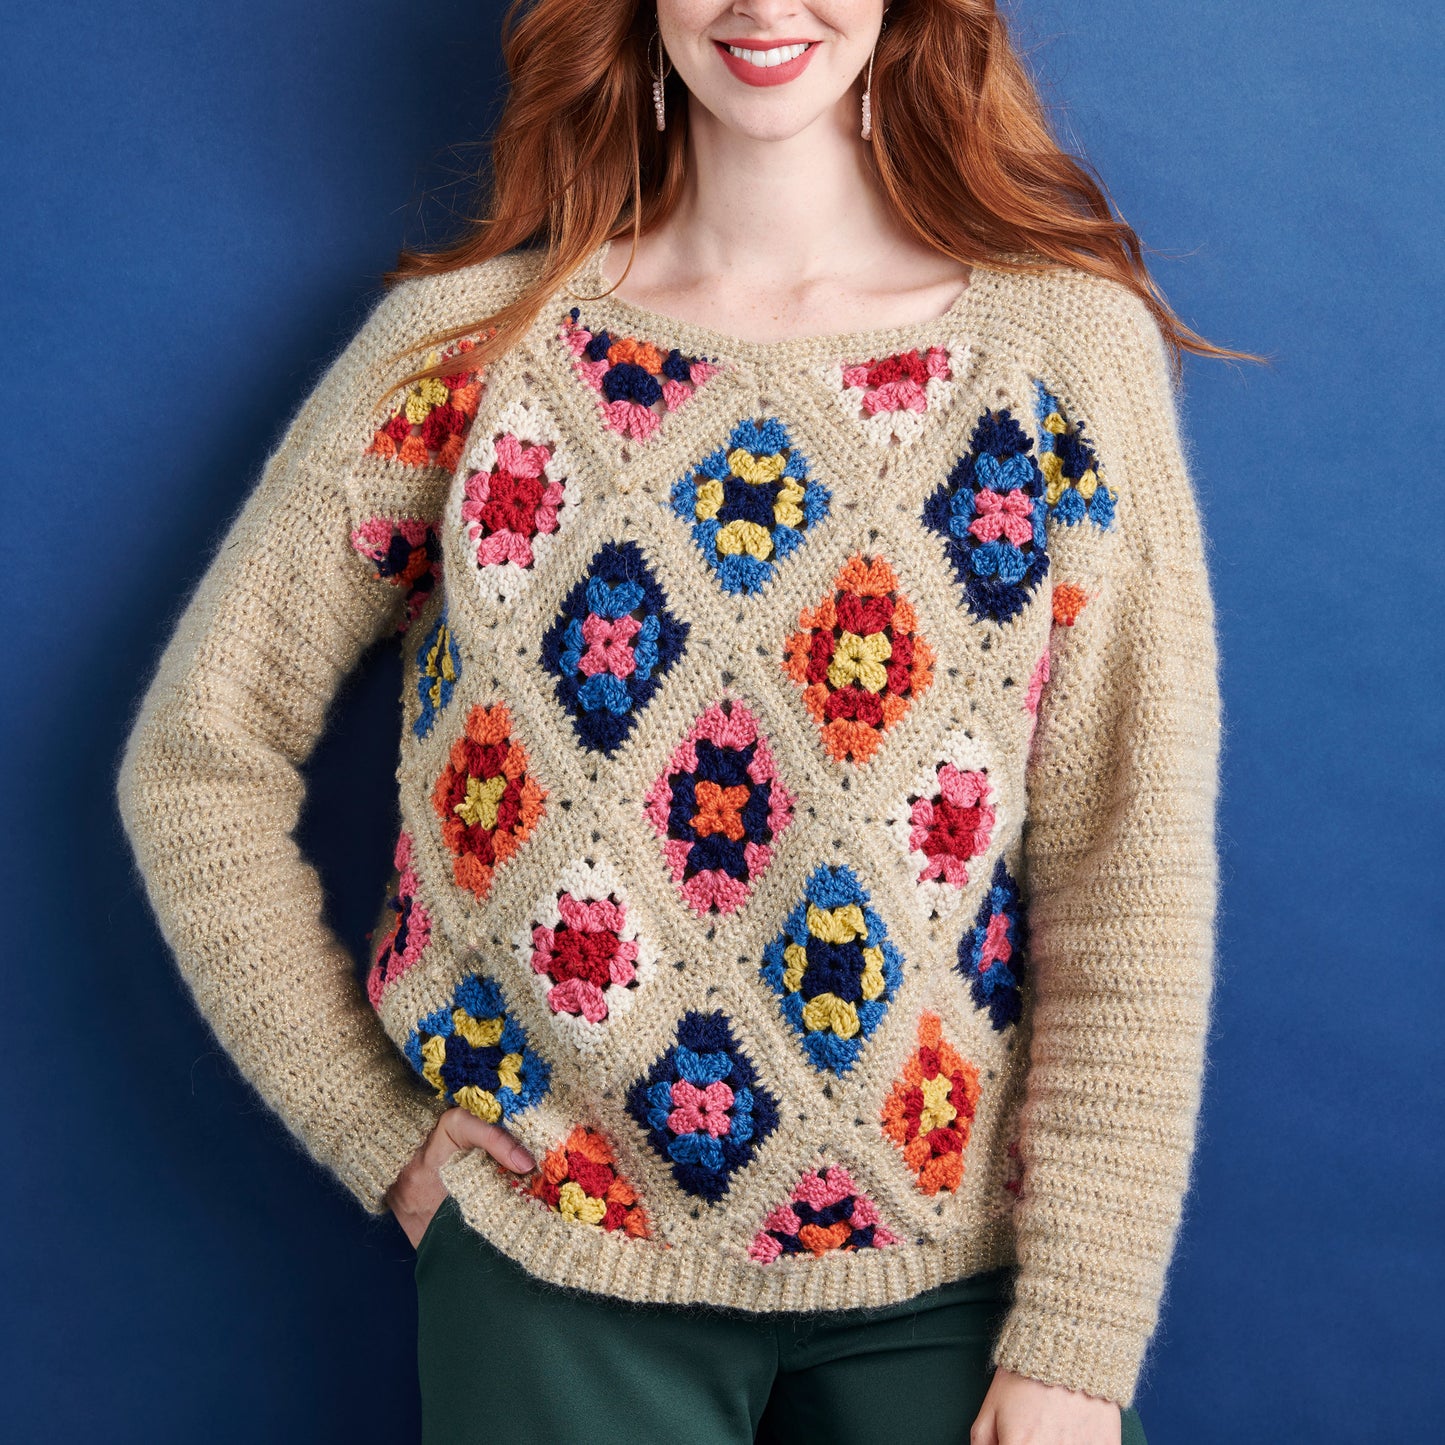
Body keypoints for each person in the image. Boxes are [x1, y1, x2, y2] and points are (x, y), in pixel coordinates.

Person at [116, 2, 1254, 1441]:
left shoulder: (1052, 356)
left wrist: (1082, 1336)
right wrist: (371, 1126)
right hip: (551, 1272)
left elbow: (1126, 855)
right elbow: (197, 757)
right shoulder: (471, 351)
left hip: (961, 1279)